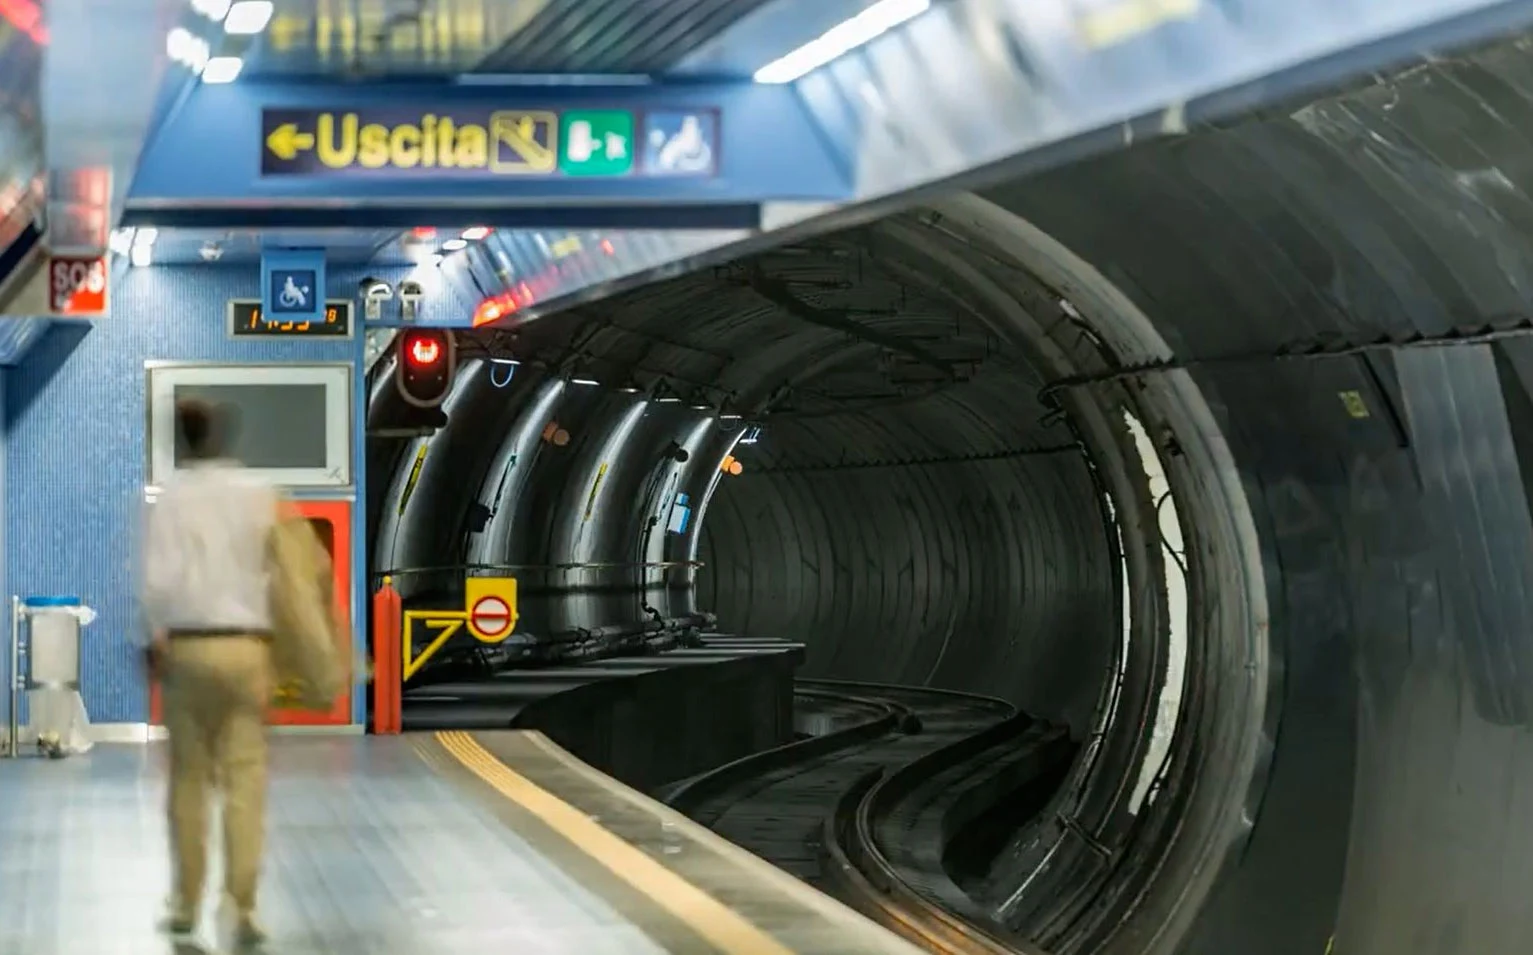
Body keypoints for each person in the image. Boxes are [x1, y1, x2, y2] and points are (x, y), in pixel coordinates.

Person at [140, 398, 337, 948]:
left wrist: (152, 637)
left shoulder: (169, 501)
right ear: (225, 439)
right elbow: (294, 572)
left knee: (188, 782)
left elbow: (157, 585)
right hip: (247, 650)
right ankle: (244, 907)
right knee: (245, 779)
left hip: (188, 649)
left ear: (182, 441)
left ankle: (184, 904)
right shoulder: (258, 496)